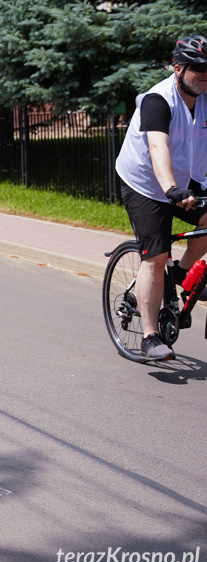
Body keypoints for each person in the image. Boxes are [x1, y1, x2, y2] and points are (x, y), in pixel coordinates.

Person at [115, 35, 207, 361]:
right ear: (178, 67)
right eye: (198, 68)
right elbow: (158, 148)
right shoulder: (158, 100)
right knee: (155, 257)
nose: (205, 75)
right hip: (146, 184)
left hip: (186, 179)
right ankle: (151, 336)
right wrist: (170, 189)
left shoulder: (206, 97)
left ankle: (180, 274)